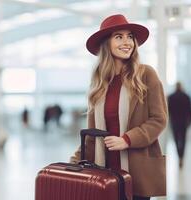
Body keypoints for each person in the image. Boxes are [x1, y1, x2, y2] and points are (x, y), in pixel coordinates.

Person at [70, 14, 168, 199]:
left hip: (136, 174)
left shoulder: (145, 75)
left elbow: (159, 119)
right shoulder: (99, 83)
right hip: (104, 174)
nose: (127, 42)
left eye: (130, 36)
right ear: (106, 44)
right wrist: (75, 161)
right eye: (119, 37)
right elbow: (92, 135)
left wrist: (127, 139)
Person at [168, 82, 191, 168]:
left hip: (174, 122)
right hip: (183, 122)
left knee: (176, 140)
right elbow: (190, 111)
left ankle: (179, 155)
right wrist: (190, 121)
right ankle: (181, 157)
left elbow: (168, 111)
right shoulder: (186, 97)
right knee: (183, 140)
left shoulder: (171, 97)